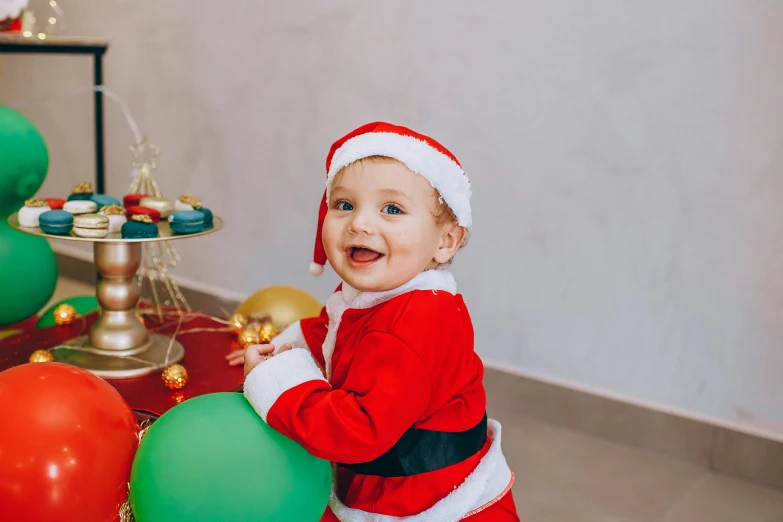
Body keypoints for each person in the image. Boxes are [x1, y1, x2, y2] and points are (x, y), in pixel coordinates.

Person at [226, 122, 519, 521]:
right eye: (344, 205)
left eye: (392, 209)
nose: (359, 224)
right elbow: (339, 333)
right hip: (393, 477)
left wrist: (278, 385)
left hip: (418, 499)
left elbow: (359, 430)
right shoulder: (385, 293)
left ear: (445, 240)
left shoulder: (415, 323)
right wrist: (283, 350)